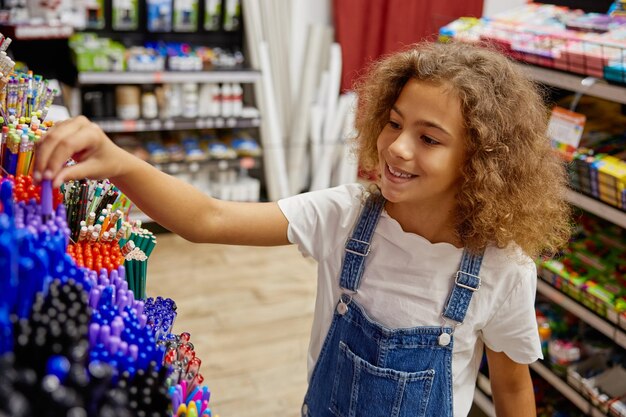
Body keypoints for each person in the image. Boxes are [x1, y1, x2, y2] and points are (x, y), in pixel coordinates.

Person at [34, 41, 571, 417]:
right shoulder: (345, 215)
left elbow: (512, 389)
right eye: (393, 122)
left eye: (429, 138)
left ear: (480, 159)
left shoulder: (502, 269)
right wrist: (121, 163)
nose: (398, 148)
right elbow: (207, 219)